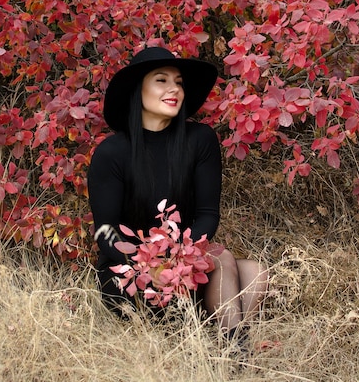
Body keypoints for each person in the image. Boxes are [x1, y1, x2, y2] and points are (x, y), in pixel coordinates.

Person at [87, 46, 268, 341]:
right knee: (225, 262)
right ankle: (228, 344)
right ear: (138, 89)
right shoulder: (112, 152)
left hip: (185, 264)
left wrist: (180, 260)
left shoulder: (200, 140)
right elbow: (106, 231)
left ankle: (230, 347)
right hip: (132, 275)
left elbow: (208, 215)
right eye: (161, 80)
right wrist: (148, 266)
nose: (174, 89)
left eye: (179, 82)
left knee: (255, 271)